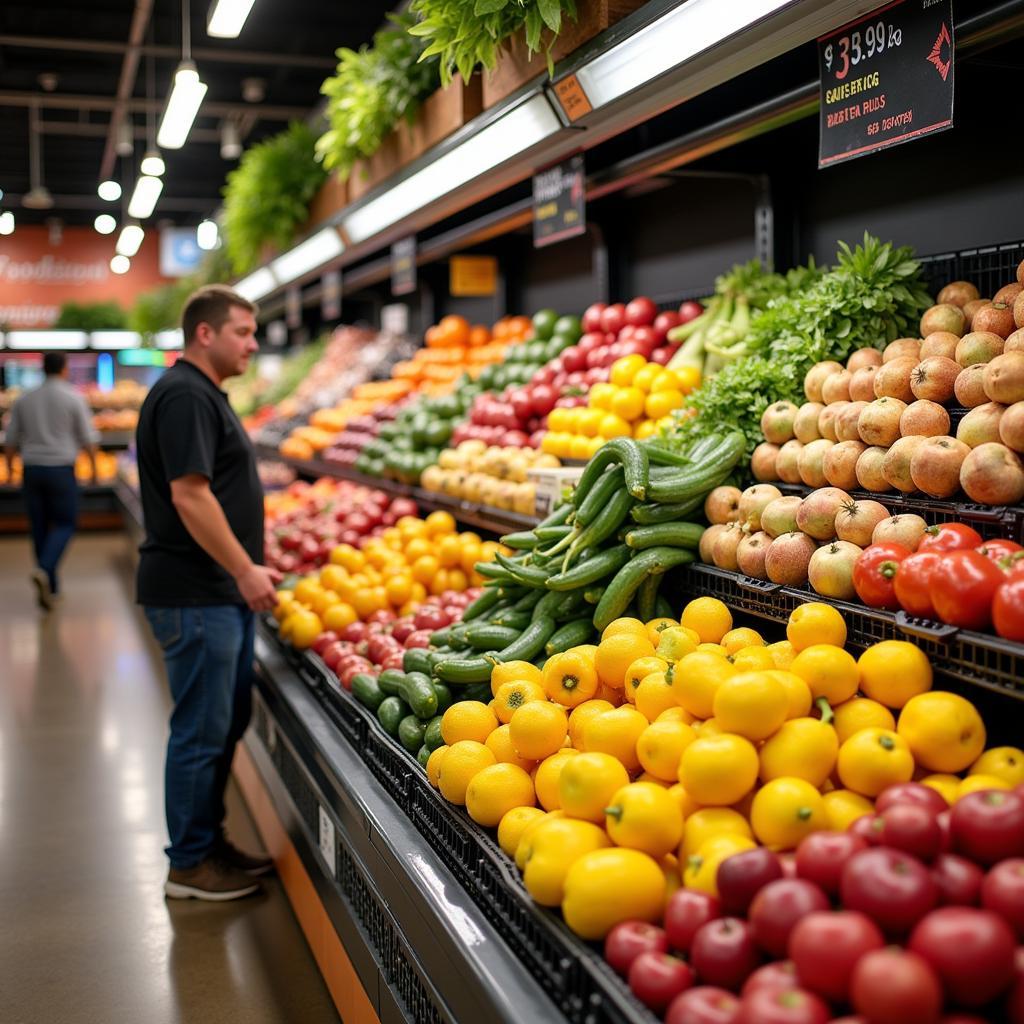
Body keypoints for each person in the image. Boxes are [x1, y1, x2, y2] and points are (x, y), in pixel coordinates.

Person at [136, 284, 281, 901]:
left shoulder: (201, 395)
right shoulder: (186, 396)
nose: (253, 343)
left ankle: (207, 841)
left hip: (216, 594)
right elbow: (190, 494)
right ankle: (189, 864)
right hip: (197, 594)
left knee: (225, 720)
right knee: (201, 728)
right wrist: (245, 569)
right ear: (205, 333)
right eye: (243, 332)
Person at [4, 351, 99, 609]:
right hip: (61, 470)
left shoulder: (25, 398)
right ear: (64, 368)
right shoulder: (73, 397)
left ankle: (51, 587)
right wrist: (93, 469)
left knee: (39, 527)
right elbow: (88, 438)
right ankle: (45, 569)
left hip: (32, 469)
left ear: (42, 368)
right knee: (65, 523)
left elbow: (10, 439)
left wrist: (11, 470)